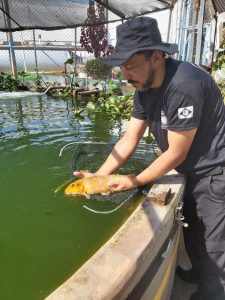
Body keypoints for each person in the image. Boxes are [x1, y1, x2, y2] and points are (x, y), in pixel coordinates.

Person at [74, 17, 225, 300]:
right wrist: (100, 176)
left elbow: (176, 151)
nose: (125, 74)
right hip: (188, 170)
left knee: (215, 244)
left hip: (214, 172)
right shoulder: (143, 87)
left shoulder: (184, 84)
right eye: (122, 66)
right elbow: (128, 139)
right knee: (195, 232)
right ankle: (200, 273)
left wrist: (133, 180)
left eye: (130, 65)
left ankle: (213, 291)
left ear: (156, 57)